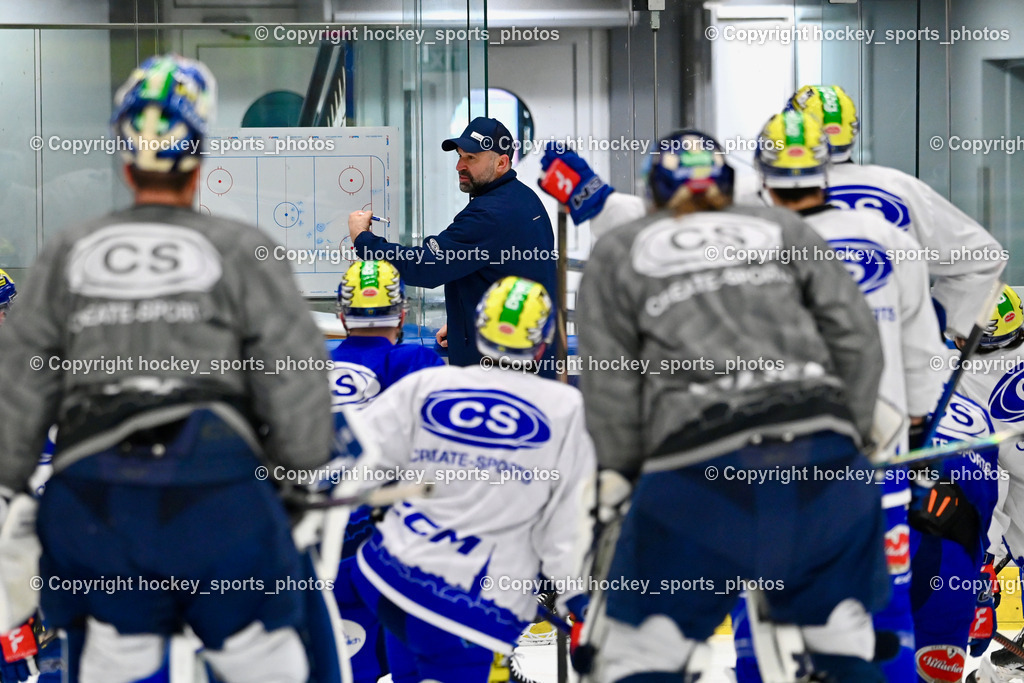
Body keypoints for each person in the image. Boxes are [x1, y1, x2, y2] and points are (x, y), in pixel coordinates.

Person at [0, 55, 341, 683]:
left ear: (125, 157)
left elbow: (18, 385)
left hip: (94, 496)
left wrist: (12, 491)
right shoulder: (243, 248)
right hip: (217, 490)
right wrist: (298, 481)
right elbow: (297, 381)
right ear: (201, 153)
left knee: (112, 651)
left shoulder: (67, 249)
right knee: (266, 656)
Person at [575, 129, 889, 682]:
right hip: (822, 455)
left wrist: (621, 474)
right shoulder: (783, 227)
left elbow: (612, 382)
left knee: (643, 652)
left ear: (651, 190)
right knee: (842, 638)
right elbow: (857, 339)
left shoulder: (619, 249)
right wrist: (851, 434)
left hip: (698, 466)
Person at [739, 108, 984, 683]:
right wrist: (917, 446)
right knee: (882, 617)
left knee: (768, 623)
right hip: (877, 466)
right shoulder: (888, 239)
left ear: (763, 175)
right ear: (826, 168)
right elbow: (924, 362)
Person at [348, 276, 595, 683]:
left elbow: (352, 462)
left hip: (388, 578)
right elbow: (567, 531)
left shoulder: (430, 384)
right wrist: (580, 603)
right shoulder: (565, 408)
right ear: (543, 343)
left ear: (477, 331)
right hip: (469, 607)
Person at [787, 84, 1006, 340]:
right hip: (889, 346)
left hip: (794, 344)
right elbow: (984, 255)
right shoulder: (899, 187)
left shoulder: (759, 191)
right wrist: (937, 317)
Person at [347, 117, 558, 376]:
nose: (460, 166)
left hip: (498, 375)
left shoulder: (490, 214)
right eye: (460, 156)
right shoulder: (524, 199)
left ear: (502, 162)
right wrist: (464, 321)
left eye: (471, 158)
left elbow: (424, 266)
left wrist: (363, 239)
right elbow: (501, 273)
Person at [327, 259, 443, 683]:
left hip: (317, 549)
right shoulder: (415, 362)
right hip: (389, 551)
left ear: (341, 317)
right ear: (404, 313)